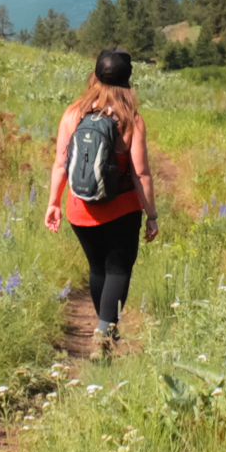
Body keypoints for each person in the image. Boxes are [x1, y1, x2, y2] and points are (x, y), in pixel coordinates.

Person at [43, 47, 158, 349]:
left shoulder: (73, 114)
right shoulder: (131, 119)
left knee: (97, 269)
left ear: (93, 76)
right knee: (118, 268)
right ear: (127, 82)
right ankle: (104, 332)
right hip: (122, 207)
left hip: (80, 208)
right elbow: (141, 173)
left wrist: (54, 203)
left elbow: (60, 164)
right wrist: (152, 214)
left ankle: (103, 328)